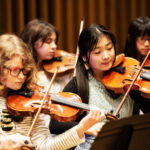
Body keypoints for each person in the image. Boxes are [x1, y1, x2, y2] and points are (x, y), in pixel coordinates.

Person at [0, 33, 105, 150]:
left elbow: (45, 146)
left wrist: (81, 128)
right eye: (15, 70)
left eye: (24, 70)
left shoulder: (30, 103)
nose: (21, 77)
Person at [50, 24, 135, 150]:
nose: (106, 56)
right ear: (84, 57)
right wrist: (86, 127)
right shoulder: (77, 85)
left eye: (109, 48)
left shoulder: (128, 79)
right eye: (97, 52)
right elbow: (55, 125)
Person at [20, 19, 75, 93]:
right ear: (32, 42)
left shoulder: (57, 69)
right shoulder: (22, 72)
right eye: (48, 41)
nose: (54, 46)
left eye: (55, 42)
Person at [124, 16, 150, 113]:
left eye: (149, 39)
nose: (147, 44)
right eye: (142, 39)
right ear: (131, 38)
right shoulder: (125, 62)